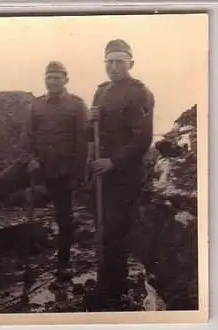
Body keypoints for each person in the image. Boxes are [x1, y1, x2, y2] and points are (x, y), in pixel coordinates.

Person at [0, 61, 89, 278]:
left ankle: (63, 264)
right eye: (49, 77)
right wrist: (29, 159)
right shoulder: (36, 105)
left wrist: (77, 175)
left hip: (61, 170)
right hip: (33, 164)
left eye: (56, 77)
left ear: (66, 80)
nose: (52, 81)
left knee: (65, 219)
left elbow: (83, 144)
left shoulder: (77, 106)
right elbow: (26, 137)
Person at [86, 39, 155, 310]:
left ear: (131, 64)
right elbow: (91, 135)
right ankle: (107, 280)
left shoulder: (139, 93)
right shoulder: (101, 92)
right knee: (102, 228)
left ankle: (115, 289)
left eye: (119, 62)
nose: (113, 67)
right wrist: (90, 121)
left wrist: (113, 162)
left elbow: (142, 139)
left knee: (115, 231)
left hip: (124, 174)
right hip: (101, 173)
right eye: (109, 62)